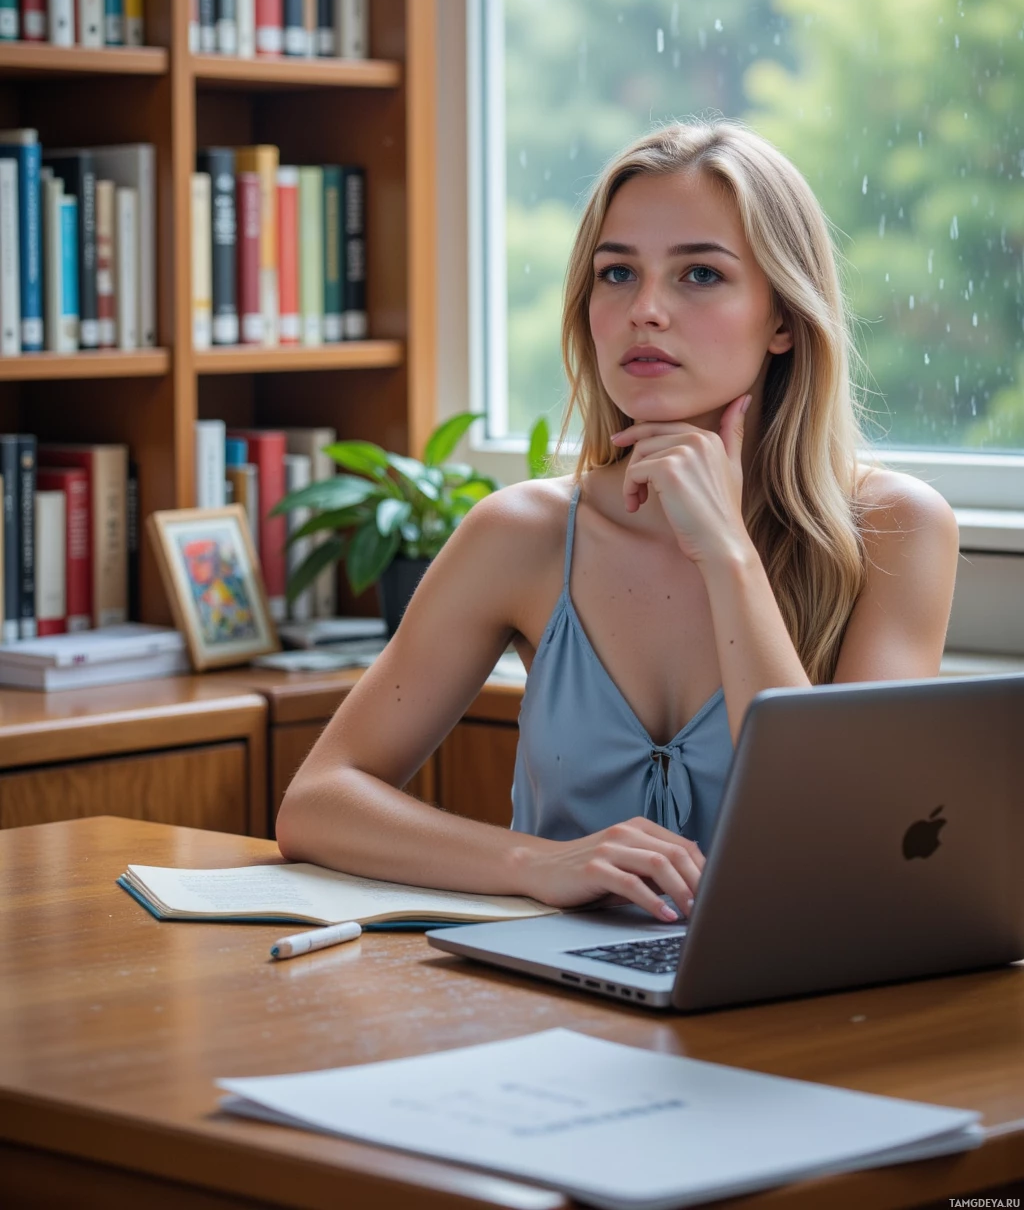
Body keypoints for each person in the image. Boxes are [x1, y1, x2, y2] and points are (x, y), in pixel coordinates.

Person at [276, 119, 960, 924]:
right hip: (555, 997)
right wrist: (540, 862)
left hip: (793, 1001)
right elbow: (318, 803)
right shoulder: (521, 532)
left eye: (700, 274)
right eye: (616, 274)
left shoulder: (896, 528)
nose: (646, 311)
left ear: (783, 318)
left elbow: (849, 845)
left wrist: (727, 554)